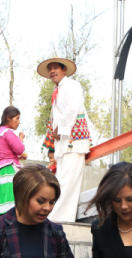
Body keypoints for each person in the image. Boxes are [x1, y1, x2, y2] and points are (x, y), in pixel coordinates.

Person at [39, 56, 92, 223]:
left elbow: (73, 109)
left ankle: (58, 218)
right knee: (62, 179)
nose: (52, 71)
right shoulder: (58, 90)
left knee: (67, 181)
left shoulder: (72, 86)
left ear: (64, 70)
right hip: (62, 141)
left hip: (73, 140)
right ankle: (57, 216)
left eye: (56, 68)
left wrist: (59, 130)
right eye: (50, 69)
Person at [0, 106, 27, 216]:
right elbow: (20, 149)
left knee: (3, 202)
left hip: (1, 171)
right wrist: (21, 138)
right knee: (12, 202)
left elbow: (4, 154)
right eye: (17, 118)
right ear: (8, 118)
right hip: (9, 170)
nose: (19, 122)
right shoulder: (7, 132)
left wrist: (18, 156)